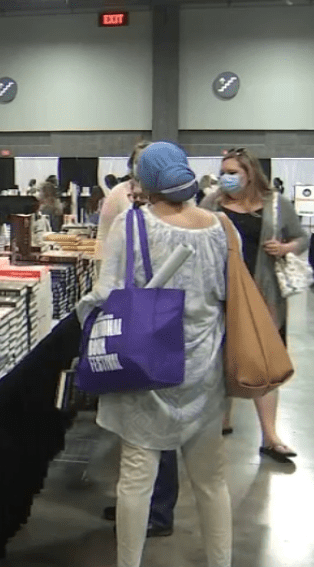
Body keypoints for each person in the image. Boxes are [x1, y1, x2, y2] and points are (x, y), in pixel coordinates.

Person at [78, 142, 232, 567]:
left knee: (136, 479)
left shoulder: (134, 224)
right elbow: (225, 294)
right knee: (211, 481)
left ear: (144, 180)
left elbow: (109, 292)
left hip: (147, 364)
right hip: (204, 368)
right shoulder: (220, 227)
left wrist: (84, 315)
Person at [200, 147, 308, 463]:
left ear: (250, 174)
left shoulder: (275, 206)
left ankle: (270, 435)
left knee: (264, 360)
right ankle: (222, 419)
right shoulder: (212, 203)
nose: (226, 177)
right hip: (221, 293)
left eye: (233, 172)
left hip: (264, 295)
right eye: (224, 171)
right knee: (221, 356)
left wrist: (285, 246)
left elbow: (302, 238)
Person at [98, 141, 152, 256]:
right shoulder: (118, 193)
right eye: (138, 162)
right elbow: (104, 237)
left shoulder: (167, 193)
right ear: (132, 164)